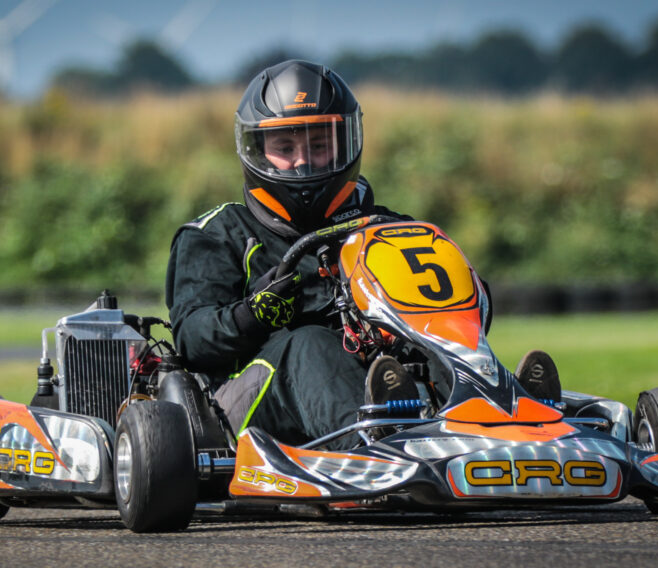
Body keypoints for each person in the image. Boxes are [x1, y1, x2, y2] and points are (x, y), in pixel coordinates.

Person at [164, 60, 559, 448]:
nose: (303, 160)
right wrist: (254, 314)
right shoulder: (219, 233)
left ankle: (511, 417)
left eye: (319, 145)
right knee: (309, 342)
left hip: (374, 378)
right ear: (257, 151)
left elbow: (462, 315)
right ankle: (374, 443)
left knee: (426, 342)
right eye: (286, 147)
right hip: (245, 406)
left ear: (346, 144)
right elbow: (193, 341)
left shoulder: (387, 230)